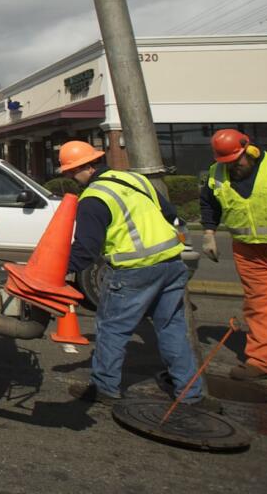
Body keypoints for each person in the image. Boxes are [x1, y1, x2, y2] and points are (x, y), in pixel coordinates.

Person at [58, 140, 206, 406]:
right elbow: (170, 213)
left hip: (134, 271)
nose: (70, 177)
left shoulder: (94, 198)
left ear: (89, 167)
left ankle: (105, 389)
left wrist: (58, 271)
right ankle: (190, 393)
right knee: (172, 328)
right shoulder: (136, 180)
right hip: (172, 264)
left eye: (71, 171)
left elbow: (86, 249)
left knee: (112, 329)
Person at [200, 129, 267, 381]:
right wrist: (209, 233)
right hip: (248, 249)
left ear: (251, 151)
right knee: (259, 306)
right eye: (226, 163)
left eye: (236, 161)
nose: (233, 167)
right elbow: (209, 203)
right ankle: (263, 362)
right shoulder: (216, 172)